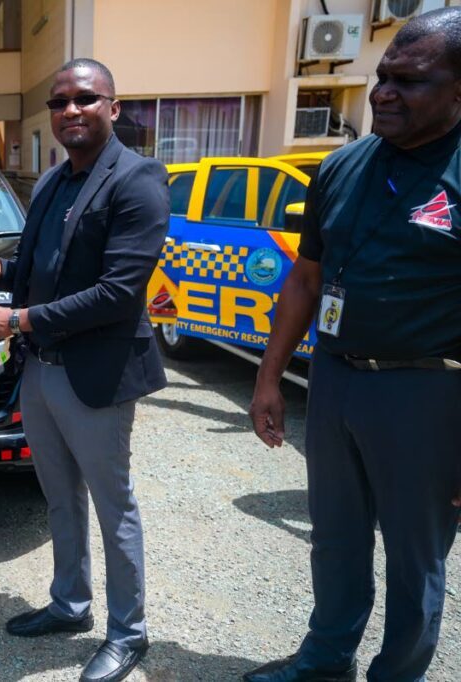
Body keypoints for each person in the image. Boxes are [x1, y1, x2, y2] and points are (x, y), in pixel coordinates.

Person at [246, 9, 461, 682]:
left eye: (410, 81)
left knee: (413, 554)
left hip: (426, 392)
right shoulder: (341, 168)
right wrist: (269, 379)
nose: (384, 94)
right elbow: (306, 280)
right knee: (335, 537)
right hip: (336, 380)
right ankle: (325, 659)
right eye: (382, 77)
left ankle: (397, 673)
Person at [0, 58, 169, 682]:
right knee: (59, 498)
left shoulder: (138, 180)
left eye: (85, 98)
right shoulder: (54, 183)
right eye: (59, 102)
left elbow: (117, 293)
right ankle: (70, 604)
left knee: (113, 505)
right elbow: (36, 262)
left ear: (113, 106)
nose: (70, 110)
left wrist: (17, 321)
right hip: (43, 371)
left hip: (96, 374)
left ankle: (127, 633)